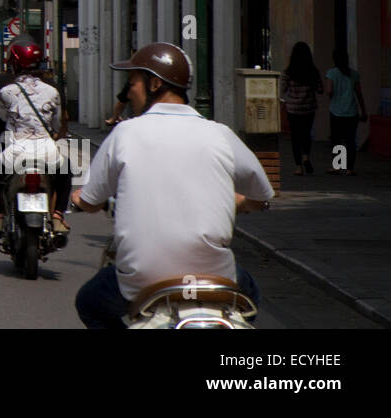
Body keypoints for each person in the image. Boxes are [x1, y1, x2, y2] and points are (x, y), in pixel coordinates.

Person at [71, 42, 274, 330]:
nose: (128, 93)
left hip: (140, 280)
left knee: (89, 304)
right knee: (250, 297)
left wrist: (79, 199)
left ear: (154, 84)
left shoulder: (125, 133)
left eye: (132, 84)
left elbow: (90, 200)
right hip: (216, 278)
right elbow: (263, 195)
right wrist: (238, 202)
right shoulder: (220, 134)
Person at [0, 36, 70, 237]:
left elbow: (0, 116)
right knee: (66, 171)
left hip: (13, 151)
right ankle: (58, 216)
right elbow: (59, 123)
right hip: (47, 151)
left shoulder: (5, 89)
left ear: (14, 62)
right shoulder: (52, 89)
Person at [280, 41, 322, 176]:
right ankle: (306, 157)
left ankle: (298, 167)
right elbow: (320, 89)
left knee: (295, 137)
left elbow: (282, 89)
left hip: (293, 108)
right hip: (309, 108)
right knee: (306, 134)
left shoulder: (288, 72)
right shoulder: (313, 72)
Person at [324, 48, 367, 176]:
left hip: (336, 111)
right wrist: (364, 110)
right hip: (351, 112)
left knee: (337, 140)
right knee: (350, 140)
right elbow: (359, 94)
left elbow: (329, 91)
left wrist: (333, 98)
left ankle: (338, 166)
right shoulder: (354, 74)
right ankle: (350, 169)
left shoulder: (331, 73)